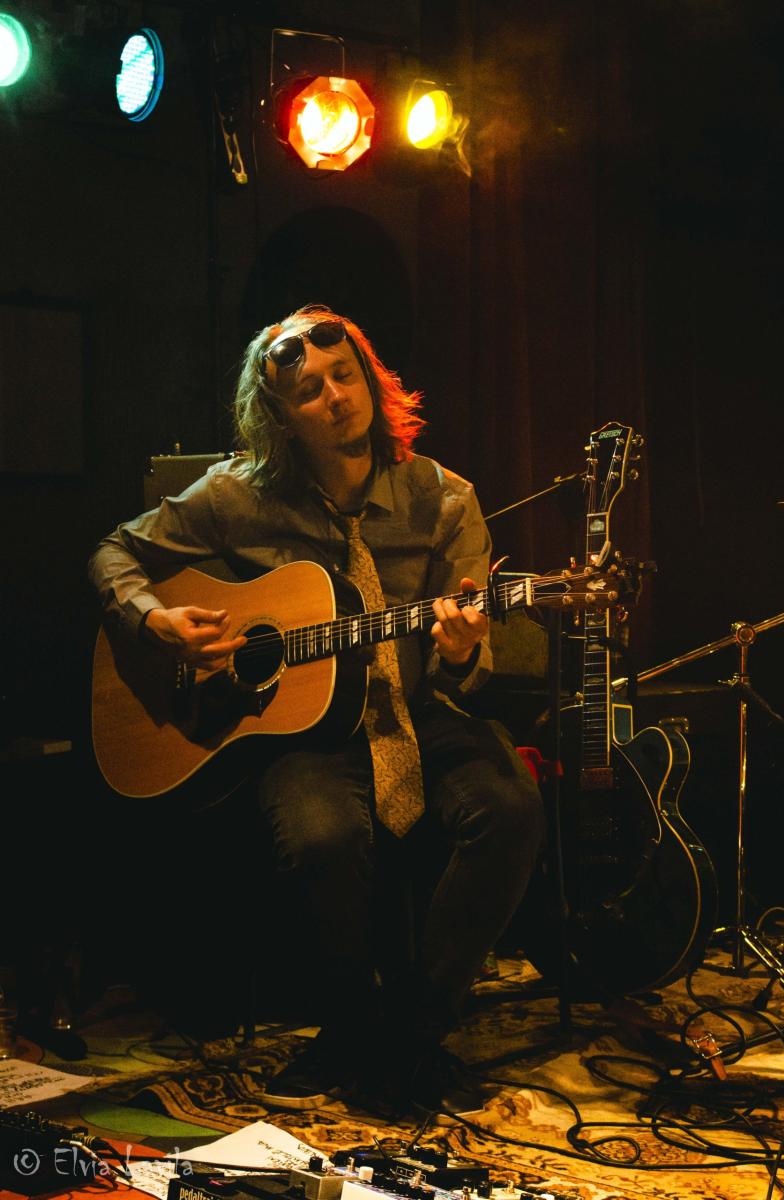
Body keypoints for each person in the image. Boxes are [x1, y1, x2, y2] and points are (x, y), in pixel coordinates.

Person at [88, 304, 544, 1116]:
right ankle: (350, 1025)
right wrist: (155, 621)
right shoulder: (235, 496)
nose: (336, 397)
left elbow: (467, 674)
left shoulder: (445, 499)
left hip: (419, 709)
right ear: (280, 417)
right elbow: (114, 551)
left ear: (370, 381)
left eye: (346, 376)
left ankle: (414, 1032)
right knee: (321, 836)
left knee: (510, 807)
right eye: (310, 391)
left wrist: (461, 648)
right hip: (307, 729)